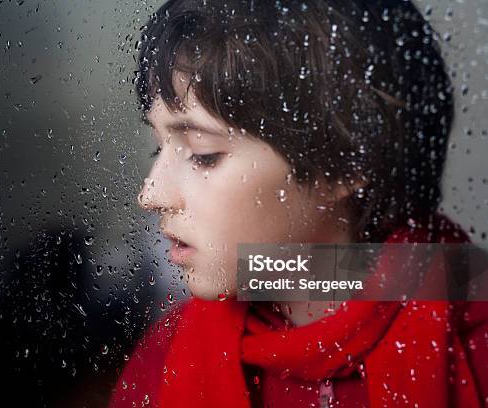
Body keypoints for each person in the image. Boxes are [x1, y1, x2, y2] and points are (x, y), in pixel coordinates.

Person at [110, 0, 488, 406]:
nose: (150, 195)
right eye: (158, 150)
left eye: (203, 154)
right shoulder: (164, 359)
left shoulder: (475, 343)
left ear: (345, 163)